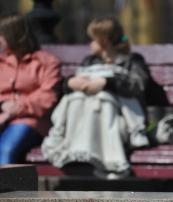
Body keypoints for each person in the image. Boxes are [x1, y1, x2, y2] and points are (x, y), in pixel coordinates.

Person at [42, 17, 151, 179]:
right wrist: (70, 83)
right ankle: (79, 155)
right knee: (77, 99)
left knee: (104, 99)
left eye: (92, 40)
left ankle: (105, 161)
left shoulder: (132, 61)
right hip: (85, 117)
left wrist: (107, 82)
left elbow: (137, 85)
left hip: (119, 119)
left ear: (104, 41)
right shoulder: (89, 61)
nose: (89, 44)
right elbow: (73, 86)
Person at [0, 14, 61, 164]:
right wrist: (2, 105)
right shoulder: (2, 62)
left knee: (6, 148)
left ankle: (8, 188)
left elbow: (48, 97)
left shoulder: (46, 62)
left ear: (13, 35)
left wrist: (17, 107)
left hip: (31, 120)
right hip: (3, 117)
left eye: (1, 35)